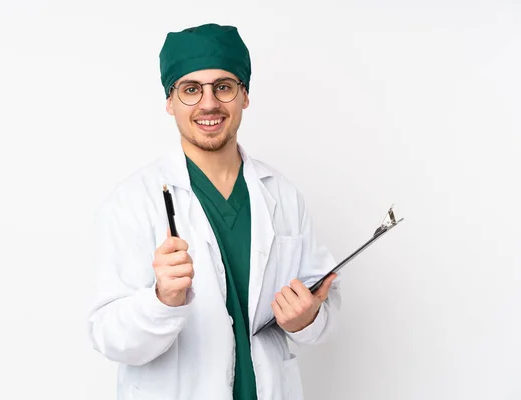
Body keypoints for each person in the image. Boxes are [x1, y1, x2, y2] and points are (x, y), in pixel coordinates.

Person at [87, 23, 341, 400]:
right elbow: (108, 336)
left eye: (223, 86)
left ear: (245, 96)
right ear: (170, 102)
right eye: (191, 90)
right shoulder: (132, 202)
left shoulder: (284, 196)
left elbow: (326, 301)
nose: (208, 104)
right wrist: (161, 301)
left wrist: (308, 319)